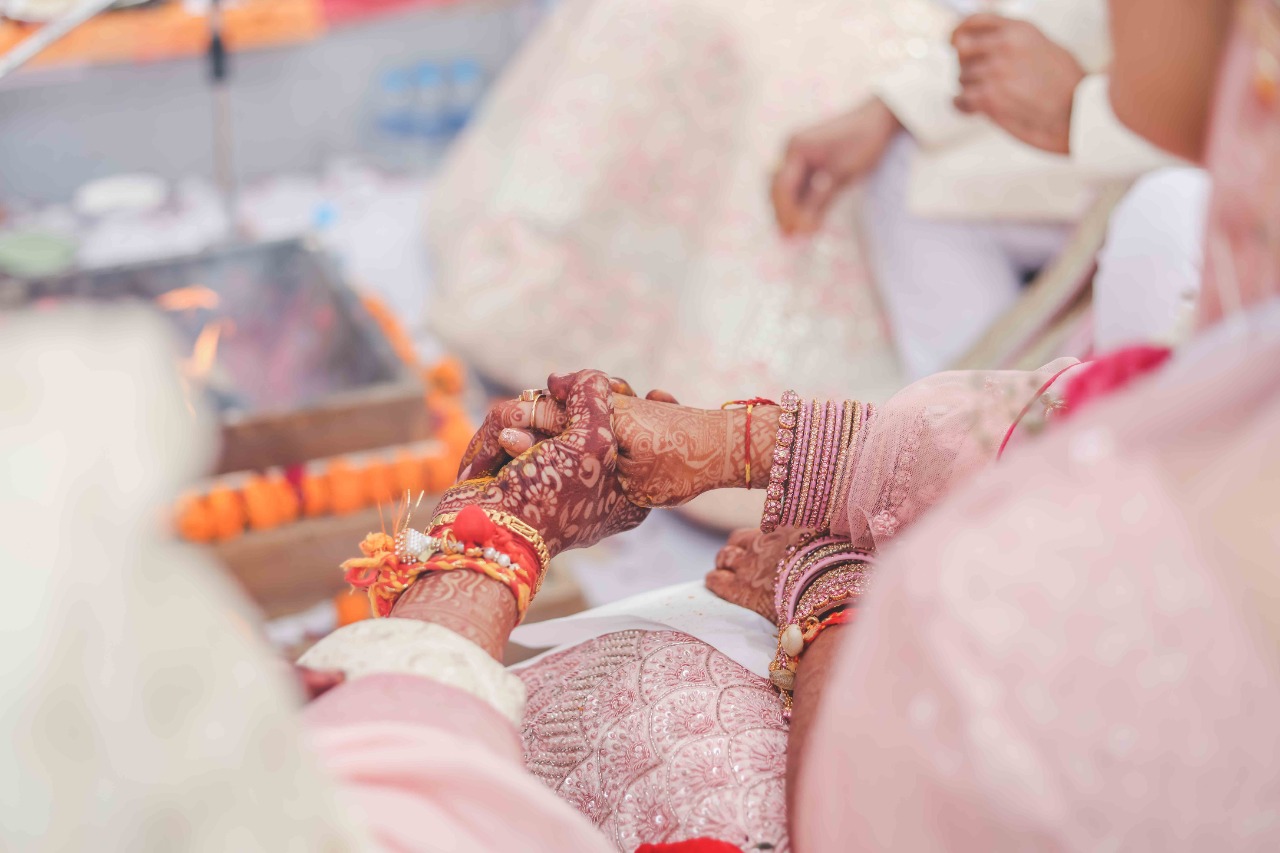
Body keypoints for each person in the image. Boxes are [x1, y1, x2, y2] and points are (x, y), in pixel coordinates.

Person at [7, 2, 1278, 851]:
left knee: (658, 697)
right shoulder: (1209, 368)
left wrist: (811, 589)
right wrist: (738, 444)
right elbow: (1049, 414)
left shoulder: (1076, 597)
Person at [773, 3, 1180, 379]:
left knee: (1164, 205)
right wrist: (891, 108)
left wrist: (1088, 118)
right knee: (909, 174)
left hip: (1168, 190)